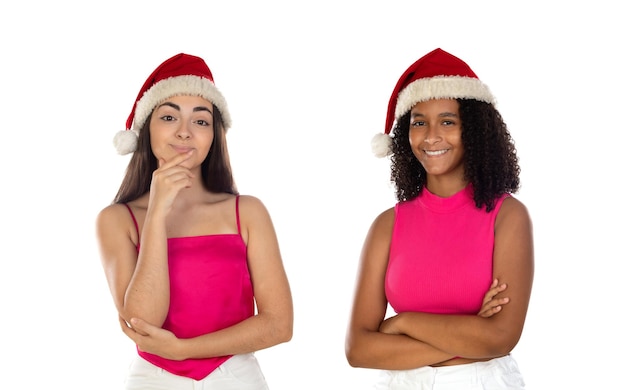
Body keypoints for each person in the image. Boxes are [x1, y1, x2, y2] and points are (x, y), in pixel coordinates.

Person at [96, 53, 293, 390]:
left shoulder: (246, 212)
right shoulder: (117, 220)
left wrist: (184, 349)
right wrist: (157, 212)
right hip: (152, 381)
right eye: (169, 117)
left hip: (237, 378)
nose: (185, 132)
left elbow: (279, 325)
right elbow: (144, 321)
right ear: (147, 129)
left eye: (200, 121)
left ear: (214, 135)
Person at [345, 48, 534, 389]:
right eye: (419, 122)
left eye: (448, 121)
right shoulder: (387, 225)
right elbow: (358, 349)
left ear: (474, 130)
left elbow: (500, 338)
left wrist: (399, 324)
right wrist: (469, 333)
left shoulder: (507, 216)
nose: (431, 136)